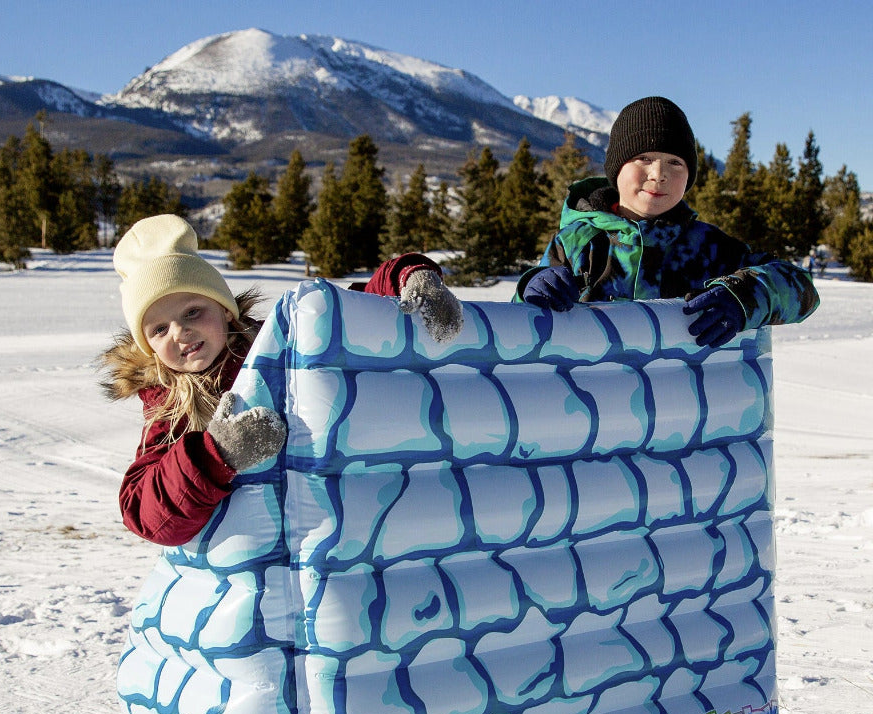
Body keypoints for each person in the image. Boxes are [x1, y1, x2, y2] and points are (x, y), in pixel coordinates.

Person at [102, 215, 462, 546]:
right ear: (147, 345)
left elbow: (353, 316)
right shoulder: (170, 406)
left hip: (343, 534)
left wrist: (407, 277)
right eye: (160, 328)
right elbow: (146, 515)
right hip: (261, 567)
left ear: (226, 310)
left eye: (193, 311)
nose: (180, 332)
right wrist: (215, 456)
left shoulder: (280, 346)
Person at [516, 96, 819, 347]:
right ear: (616, 168)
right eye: (644, 158)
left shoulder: (709, 247)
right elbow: (516, 332)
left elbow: (802, 288)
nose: (658, 173)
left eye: (675, 163)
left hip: (681, 409)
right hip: (590, 404)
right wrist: (530, 289)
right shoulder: (575, 243)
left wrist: (746, 297)